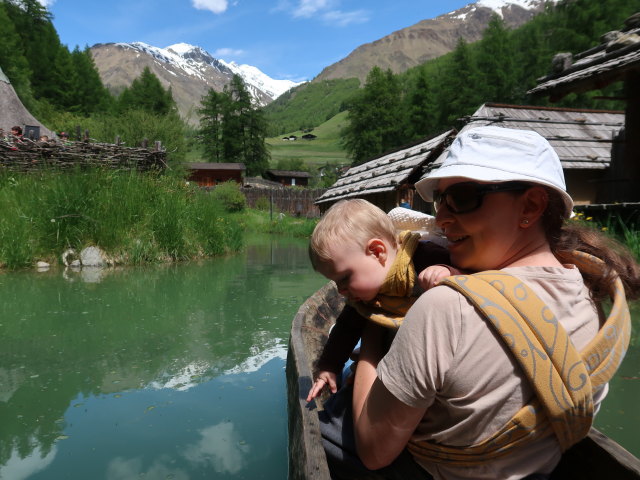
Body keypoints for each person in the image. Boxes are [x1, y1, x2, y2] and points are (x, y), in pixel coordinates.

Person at [320, 126, 640, 480]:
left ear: (531, 205)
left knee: (331, 417)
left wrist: (371, 336)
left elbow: (374, 451)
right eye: (440, 200)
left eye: (463, 197)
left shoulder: (446, 307)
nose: (441, 217)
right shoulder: (594, 298)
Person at [306, 198, 460, 402]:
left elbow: (474, 278)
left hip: (431, 363)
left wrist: (449, 271)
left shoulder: (426, 257)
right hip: (391, 363)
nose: (341, 291)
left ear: (377, 252)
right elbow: (345, 329)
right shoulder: (361, 297)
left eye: (344, 278)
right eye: (335, 283)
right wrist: (329, 366)